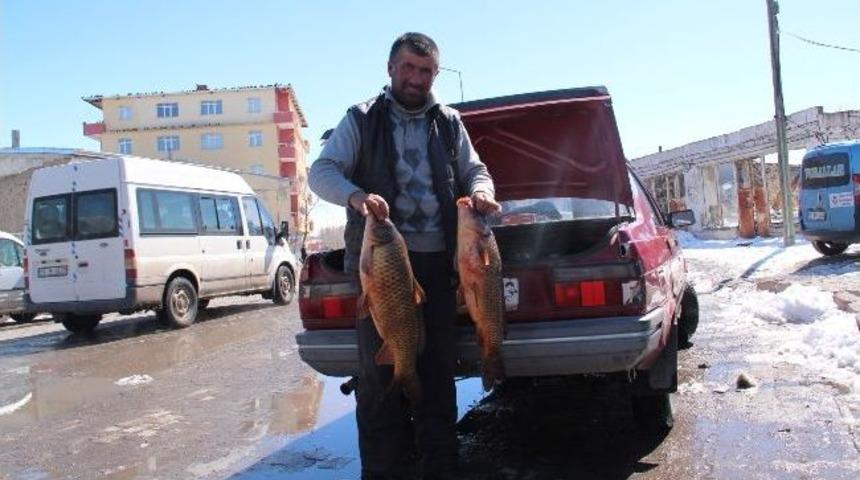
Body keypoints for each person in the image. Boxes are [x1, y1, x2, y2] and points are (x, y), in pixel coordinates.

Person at [309, 32, 499, 480]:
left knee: (435, 374)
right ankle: (383, 472)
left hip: (436, 268)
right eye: (409, 68)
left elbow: (476, 170)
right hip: (382, 265)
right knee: (377, 383)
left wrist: (480, 192)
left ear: (436, 74)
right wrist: (356, 197)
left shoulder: (449, 121)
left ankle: (441, 469)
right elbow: (321, 172)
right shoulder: (361, 118)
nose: (417, 78)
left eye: (426, 70)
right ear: (391, 68)